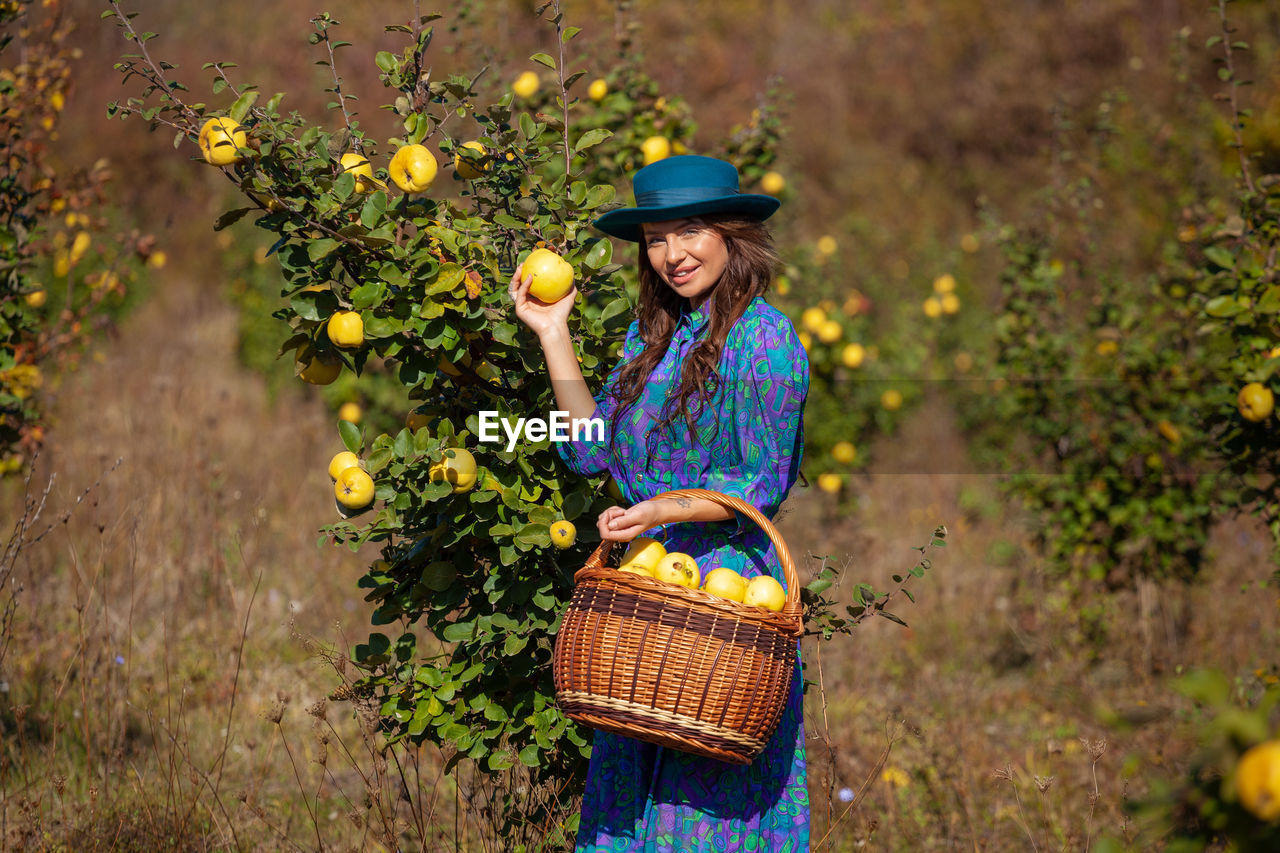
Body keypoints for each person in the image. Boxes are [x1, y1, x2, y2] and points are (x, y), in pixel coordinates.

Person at [509, 154, 810, 852]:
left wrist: (661, 511)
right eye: (656, 237)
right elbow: (590, 451)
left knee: (704, 817)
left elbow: (758, 481)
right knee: (629, 815)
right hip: (643, 608)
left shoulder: (764, 340)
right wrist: (553, 333)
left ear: (732, 232)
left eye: (691, 230)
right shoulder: (652, 337)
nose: (672, 254)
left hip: (726, 606)